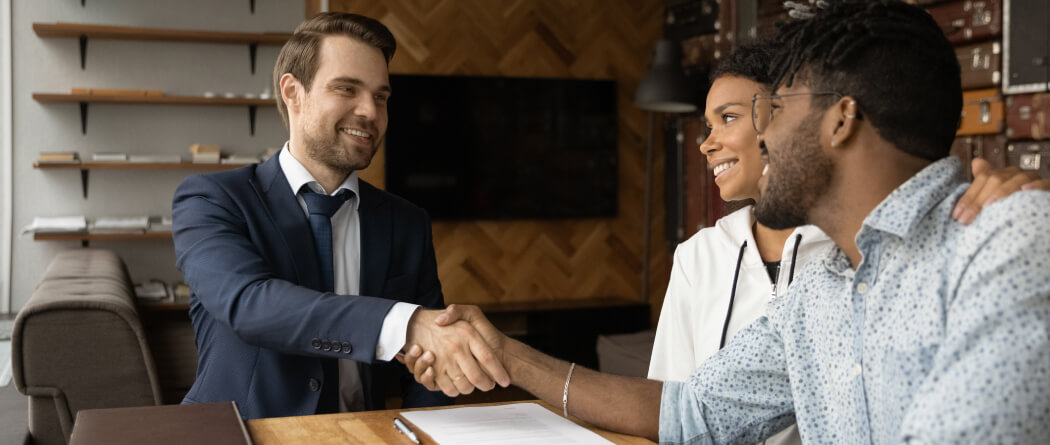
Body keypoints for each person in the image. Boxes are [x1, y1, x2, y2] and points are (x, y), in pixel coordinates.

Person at [403, 1, 1050, 442]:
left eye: (777, 107)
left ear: (841, 119)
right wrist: (507, 354)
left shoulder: (1008, 240)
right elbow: (691, 410)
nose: (761, 134)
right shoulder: (822, 291)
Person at [649, 38, 1048, 445]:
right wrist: (575, 381)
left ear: (838, 120)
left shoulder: (993, 236)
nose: (707, 143)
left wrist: (1021, 211)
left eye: (736, 117)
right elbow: (687, 409)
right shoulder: (810, 279)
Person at [171, 12, 508, 420]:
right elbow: (250, 305)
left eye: (381, 97)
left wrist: (422, 430)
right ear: (293, 92)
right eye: (347, 88)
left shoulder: (407, 222)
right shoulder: (212, 200)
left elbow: (426, 371)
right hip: (240, 434)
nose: (370, 111)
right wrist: (403, 323)